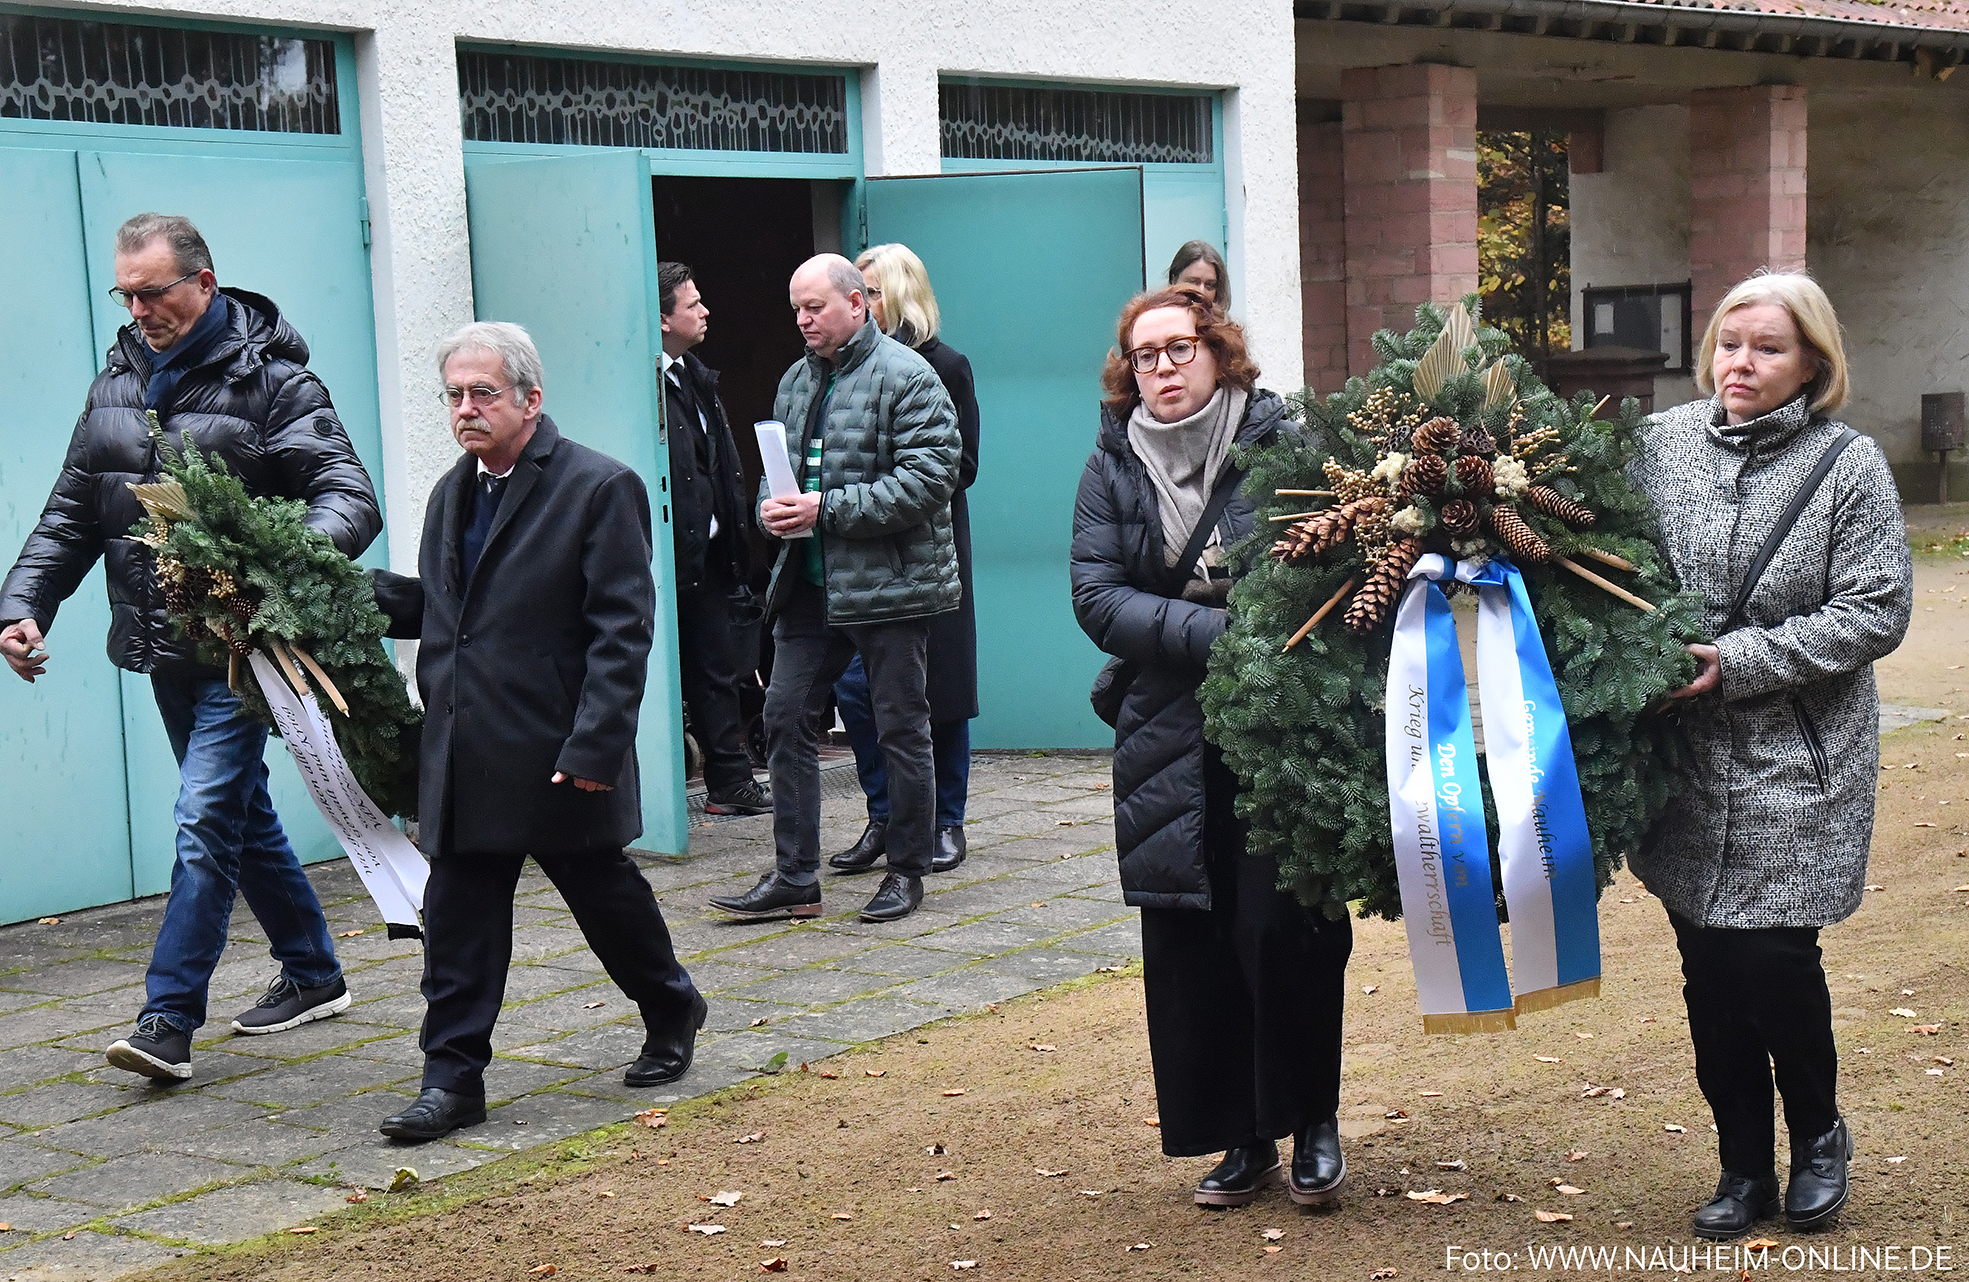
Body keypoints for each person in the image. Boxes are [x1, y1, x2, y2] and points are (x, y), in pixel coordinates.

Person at [0, 214, 379, 1082]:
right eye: (125, 294)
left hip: (246, 654)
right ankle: (315, 972)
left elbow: (347, 496)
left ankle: (167, 1018)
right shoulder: (117, 382)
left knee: (204, 817)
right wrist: (23, 606)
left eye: (154, 291)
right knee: (236, 812)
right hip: (162, 649)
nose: (138, 310)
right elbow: (71, 512)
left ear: (204, 283)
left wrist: (270, 571)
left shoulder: (277, 383)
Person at [371, 322, 706, 1142]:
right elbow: (455, 610)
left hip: (557, 754)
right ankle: (451, 1080)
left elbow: (621, 631)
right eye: (454, 394)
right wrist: (346, 595)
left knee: (605, 901)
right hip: (464, 756)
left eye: (483, 392)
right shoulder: (454, 490)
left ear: (530, 398)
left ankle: (671, 1006)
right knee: (457, 925)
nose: (466, 409)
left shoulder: (598, 487)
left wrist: (595, 748)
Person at [1632, 271, 1912, 1239]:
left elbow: (1876, 607)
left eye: (1767, 347)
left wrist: (1739, 660)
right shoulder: (1657, 446)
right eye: (1728, 342)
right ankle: (1741, 1161)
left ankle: (1818, 1131)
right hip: (1684, 758)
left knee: (1774, 960)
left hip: (1799, 755)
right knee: (1707, 968)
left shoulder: (1849, 466)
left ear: (1811, 364)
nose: (1739, 362)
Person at [1070, 288, 1352, 1209]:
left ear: (1219, 352)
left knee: (1286, 930)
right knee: (1189, 939)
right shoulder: (1109, 466)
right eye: (1143, 355)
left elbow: (1321, 571)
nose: (1161, 369)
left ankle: (1310, 1120)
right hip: (1164, 730)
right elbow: (1096, 597)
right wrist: (1222, 637)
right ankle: (1238, 1135)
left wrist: (1226, 628)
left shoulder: (1282, 443)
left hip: (1278, 726)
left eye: (1178, 349)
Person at [709, 255, 961, 925]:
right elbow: (777, 471)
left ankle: (907, 871)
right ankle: (796, 875)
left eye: (814, 307)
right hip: (808, 585)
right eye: (796, 308)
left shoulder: (910, 378)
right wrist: (771, 505)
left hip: (890, 586)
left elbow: (928, 481)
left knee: (901, 728)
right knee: (784, 717)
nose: (802, 319)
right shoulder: (795, 379)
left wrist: (824, 509)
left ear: (859, 304)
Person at [830, 244, 980, 878]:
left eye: (872, 289)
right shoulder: (837, 371)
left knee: (936, 691)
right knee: (857, 691)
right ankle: (885, 815)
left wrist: (889, 487)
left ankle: (946, 821)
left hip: (928, 550)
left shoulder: (944, 365)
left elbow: (963, 464)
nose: (861, 302)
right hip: (860, 556)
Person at [657, 261, 769, 816]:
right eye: (692, 303)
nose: (704, 311)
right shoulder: (647, 385)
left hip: (711, 557)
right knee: (671, 671)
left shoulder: (694, 375)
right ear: (661, 319)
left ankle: (729, 782)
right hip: (668, 558)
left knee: (716, 670)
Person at [1166, 240, 1230, 312]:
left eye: (1209, 285)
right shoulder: (1157, 320)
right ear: (1174, 280)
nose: (1201, 291)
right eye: (1192, 282)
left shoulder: (1225, 322)